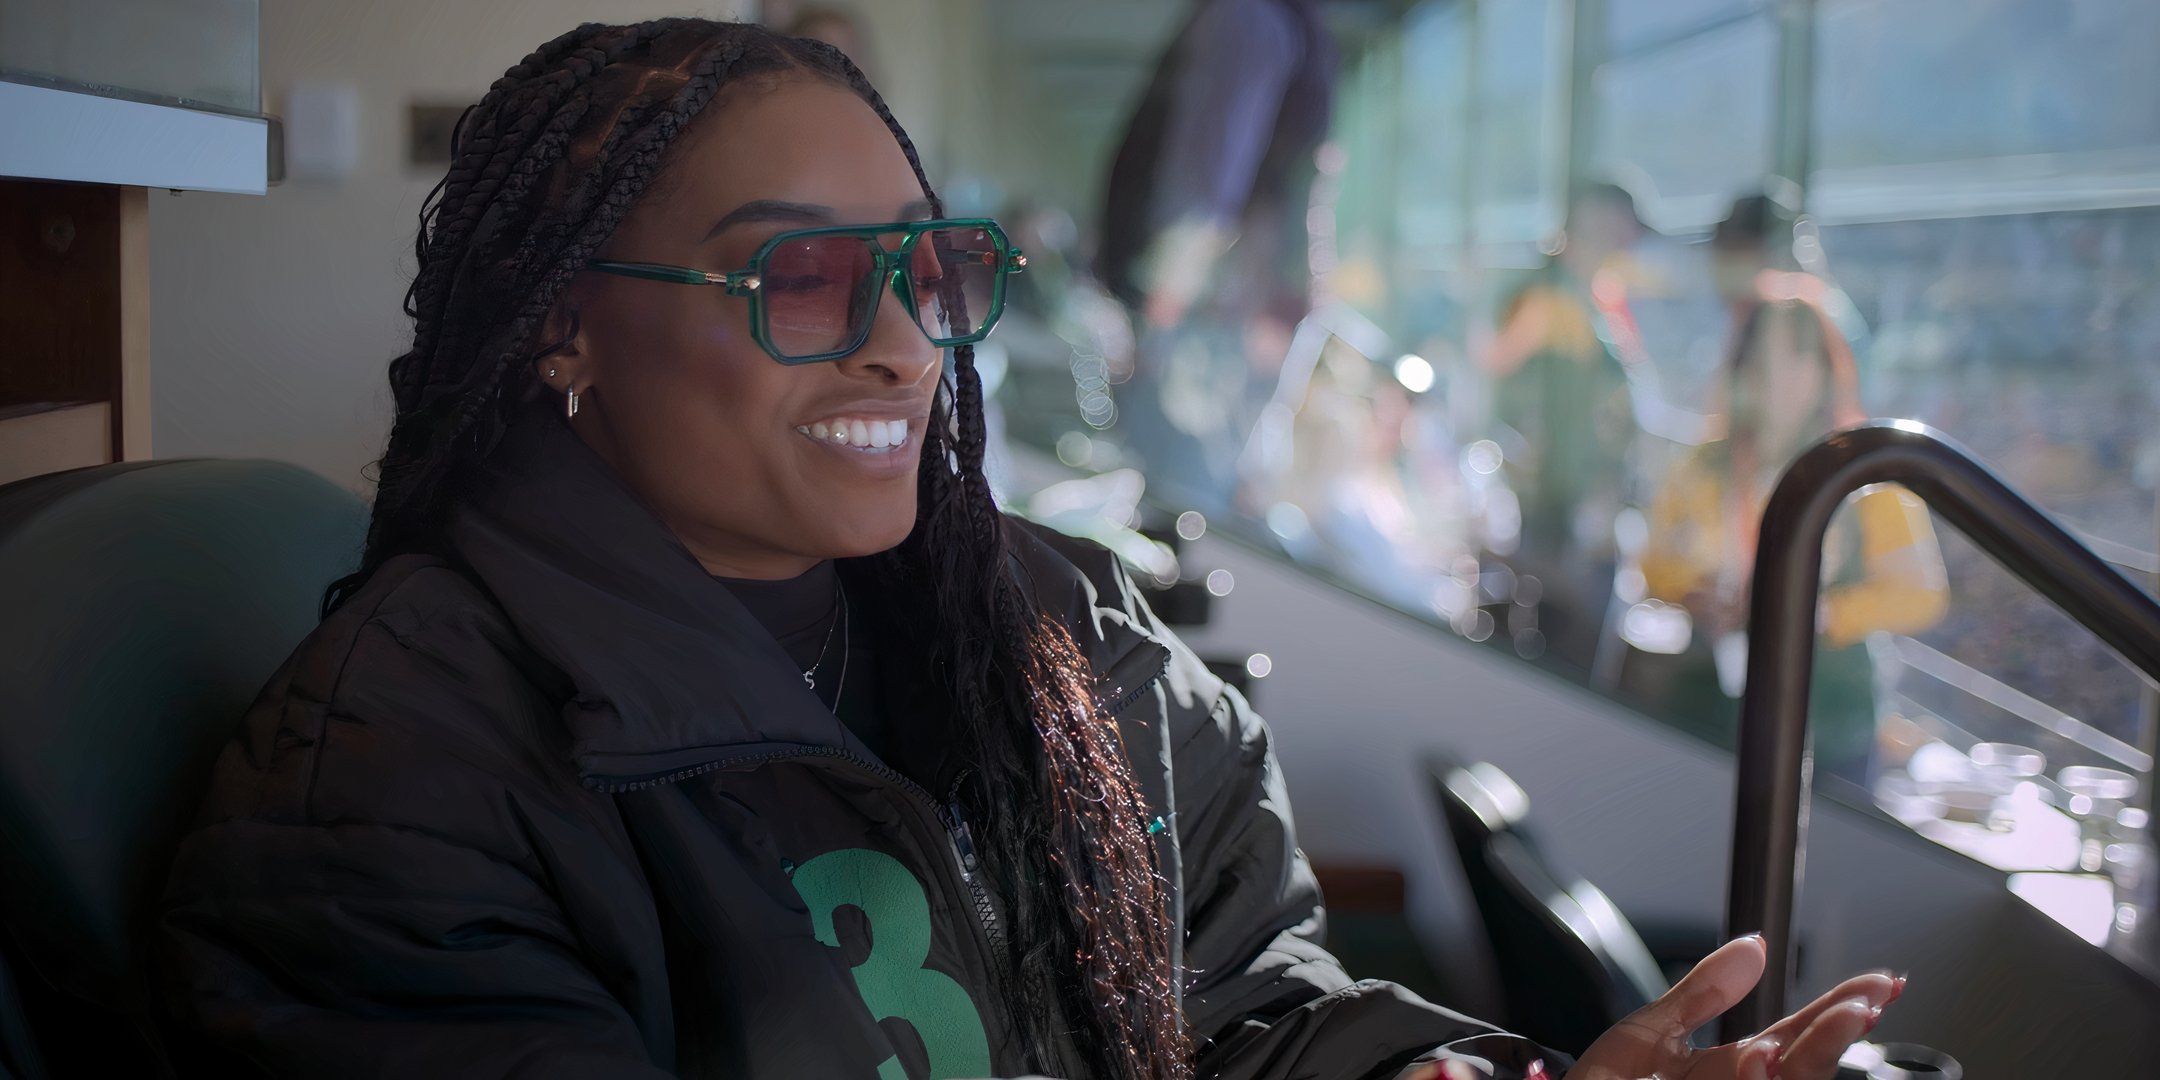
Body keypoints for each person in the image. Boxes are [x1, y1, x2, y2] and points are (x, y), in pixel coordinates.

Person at [155, 21, 1900, 1079]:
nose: (907, 342)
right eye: (802, 278)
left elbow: (1246, 1017)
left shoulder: (1062, 641)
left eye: (929, 269)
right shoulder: (394, 789)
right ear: (564, 335)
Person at [1640, 195, 1948, 784]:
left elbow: (1922, 594)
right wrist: (1692, 593)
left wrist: (1823, 613)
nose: (1776, 380)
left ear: (1825, 371)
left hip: (1829, 717)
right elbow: (1654, 563)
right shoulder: (1703, 465)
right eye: (1761, 362)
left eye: (1794, 361)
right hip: (1711, 702)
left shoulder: (1864, 478)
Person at [1096, 0, 1339, 513]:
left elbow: (1208, 173)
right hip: (1238, 308)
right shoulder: (1293, 28)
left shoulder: (1250, 17)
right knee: (1204, 483)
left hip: (1211, 311)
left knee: (1178, 492)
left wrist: (1167, 295)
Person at [1483, 183, 1650, 673]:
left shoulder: (1591, 298)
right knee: (1560, 655)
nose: (1627, 242)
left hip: (1581, 516)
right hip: (1555, 520)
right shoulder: (1546, 299)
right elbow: (1507, 392)